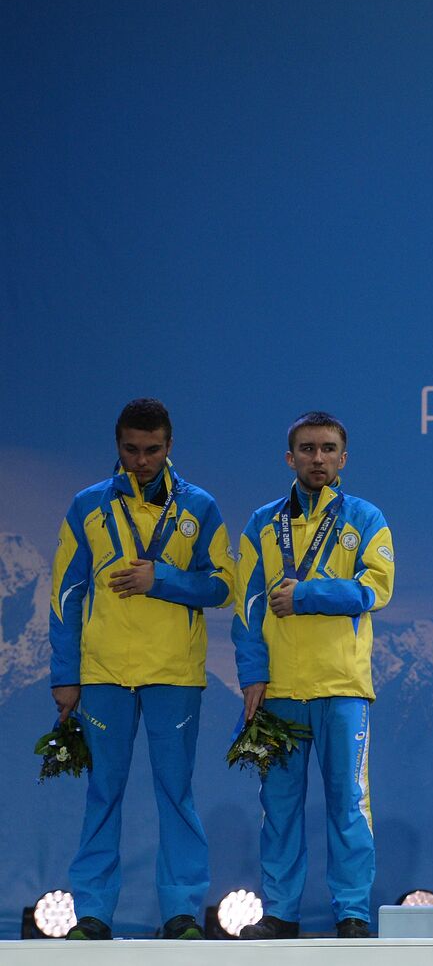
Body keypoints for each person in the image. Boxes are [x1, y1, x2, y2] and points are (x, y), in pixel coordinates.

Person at [49, 398, 234, 941]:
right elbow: (66, 593)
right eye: (131, 449)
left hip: (174, 673)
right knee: (102, 792)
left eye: (152, 450)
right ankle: (93, 913)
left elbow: (224, 584)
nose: (141, 461)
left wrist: (164, 580)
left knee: (174, 791)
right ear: (117, 445)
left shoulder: (199, 507)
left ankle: (179, 911)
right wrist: (66, 674)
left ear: (170, 446)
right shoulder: (88, 506)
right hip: (103, 672)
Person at [232, 411, 394, 939]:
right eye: (307, 449)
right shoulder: (262, 522)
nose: (317, 458)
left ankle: (351, 912)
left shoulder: (366, 518)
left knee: (349, 804)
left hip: (343, 687)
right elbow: (247, 605)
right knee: (278, 807)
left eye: (327, 449)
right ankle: (280, 912)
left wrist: (306, 595)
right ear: (290, 458)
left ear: (343, 459)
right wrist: (253, 674)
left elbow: (377, 589)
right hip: (279, 689)